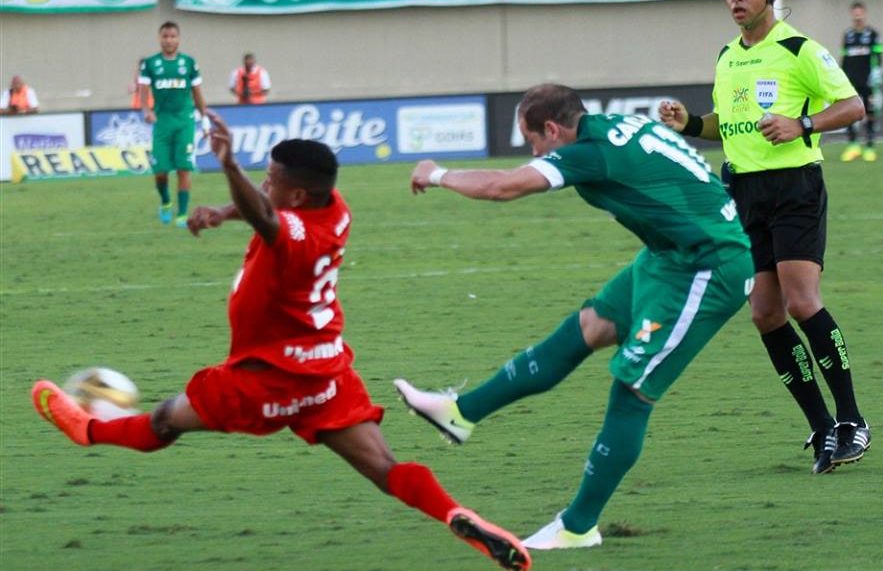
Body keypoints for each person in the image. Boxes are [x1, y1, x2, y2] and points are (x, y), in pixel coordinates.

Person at [31, 113, 531, 571]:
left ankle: (88, 430)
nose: (264, 182)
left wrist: (227, 165)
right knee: (385, 468)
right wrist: (223, 213)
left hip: (265, 381)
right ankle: (453, 513)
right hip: (326, 375)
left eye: (270, 179)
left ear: (294, 197)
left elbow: (269, 218)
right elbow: (266, 210)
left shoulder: (292, 235)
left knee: (164, 420)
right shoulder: (334, 211)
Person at [395, 83, 754, 549]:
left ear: (551, 128)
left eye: (534, 141)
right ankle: (461, 413)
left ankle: (579, 526)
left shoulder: (591, 151)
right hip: (671, 255)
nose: (535, 152)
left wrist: (436, 172)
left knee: (633, 387)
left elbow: (504, 187)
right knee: (592, 326)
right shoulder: (620, 126)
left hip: (709, 266)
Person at [658, 0, 871, 475]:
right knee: (764, 314)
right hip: (744, 193)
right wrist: (688, 123)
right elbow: (724, 127)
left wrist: (801, 123)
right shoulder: (728, 55)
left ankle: (852, 422)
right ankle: (821, 426)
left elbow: (853, 106)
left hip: (794, 186)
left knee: (801, 303)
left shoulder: (800, 50)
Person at [138, 21, 208, 229]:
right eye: (165, 36)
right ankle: (166, 201)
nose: (169, 40)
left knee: (184, 169)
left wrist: (205, 121)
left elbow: (198, 94)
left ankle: (183, 214)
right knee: (160, 171)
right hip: (162, 124)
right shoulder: (150, 64)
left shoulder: (189, 63)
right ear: (160, 38)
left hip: (185, 123)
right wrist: (146, 110)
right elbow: (142, 89)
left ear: (178, 39)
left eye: (172, 36)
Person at [840, 1, 883, 162]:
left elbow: (878, 55)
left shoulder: (873, 34)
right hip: (851, 81)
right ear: (852, 14)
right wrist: (841, 75)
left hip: (868, 81)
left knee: (870, 112)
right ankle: (853, 146)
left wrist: (877, 72)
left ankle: (870, 146)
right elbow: (844, 57)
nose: (857, 15)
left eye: (860, 12)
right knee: (850, 112)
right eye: (855, 12)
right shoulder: (848, 35)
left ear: (864, 13)